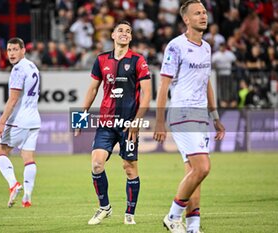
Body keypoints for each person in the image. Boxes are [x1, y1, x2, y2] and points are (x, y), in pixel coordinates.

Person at [153, 1, 225, 233]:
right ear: (186, 19)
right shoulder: (175, 46)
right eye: (197, 13)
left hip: (201, 115)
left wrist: (215, 116)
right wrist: (160, 120)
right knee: (203, 167)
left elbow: (207, 83)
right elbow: (163, 86)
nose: (203, 16)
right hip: (182, 113)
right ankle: (173, 216)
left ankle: (193, 226)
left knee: (194, 173)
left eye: (204, 12)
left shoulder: (206, 47)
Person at [74, 21, 152, 225]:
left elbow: (147, 94)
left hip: (129, 125)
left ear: (131, 38)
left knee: (129, 167)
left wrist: (137, 121)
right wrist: (81, 116)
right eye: (120, 31)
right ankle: (104, 208)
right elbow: (92, 90)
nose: (124, 34)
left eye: (128, 31)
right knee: (97, 164)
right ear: (113, 35)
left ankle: (129, 213)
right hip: (106, 122)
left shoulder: (138, 60)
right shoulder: (101, 60)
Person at [0, 37, 41, 208]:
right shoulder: (32, 66)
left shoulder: (18, 69)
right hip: (34, 119)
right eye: (9, 50)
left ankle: (13, 184)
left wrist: (1, 122)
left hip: (20, 120)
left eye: (15, 49)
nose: (11, 53)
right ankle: (27, 195)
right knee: (28, 157)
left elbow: (13, 100)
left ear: (23, 50)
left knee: (0, 151)